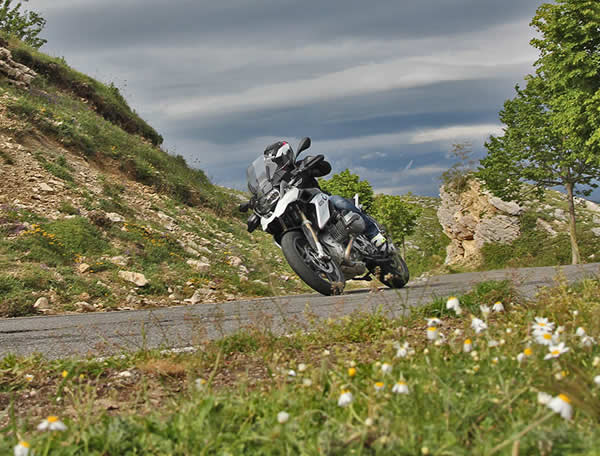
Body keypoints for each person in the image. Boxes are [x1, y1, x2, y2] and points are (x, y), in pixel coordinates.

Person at [263, 141, 387, 249]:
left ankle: (374, 233)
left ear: (287, 156)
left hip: (322, 202)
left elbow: (326, 168)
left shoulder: (300, 165)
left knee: (338, 201)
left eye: (279, 161)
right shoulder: (276, 184)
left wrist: (312, 165)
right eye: (274, 163)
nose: (277, 165)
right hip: (303, 213)